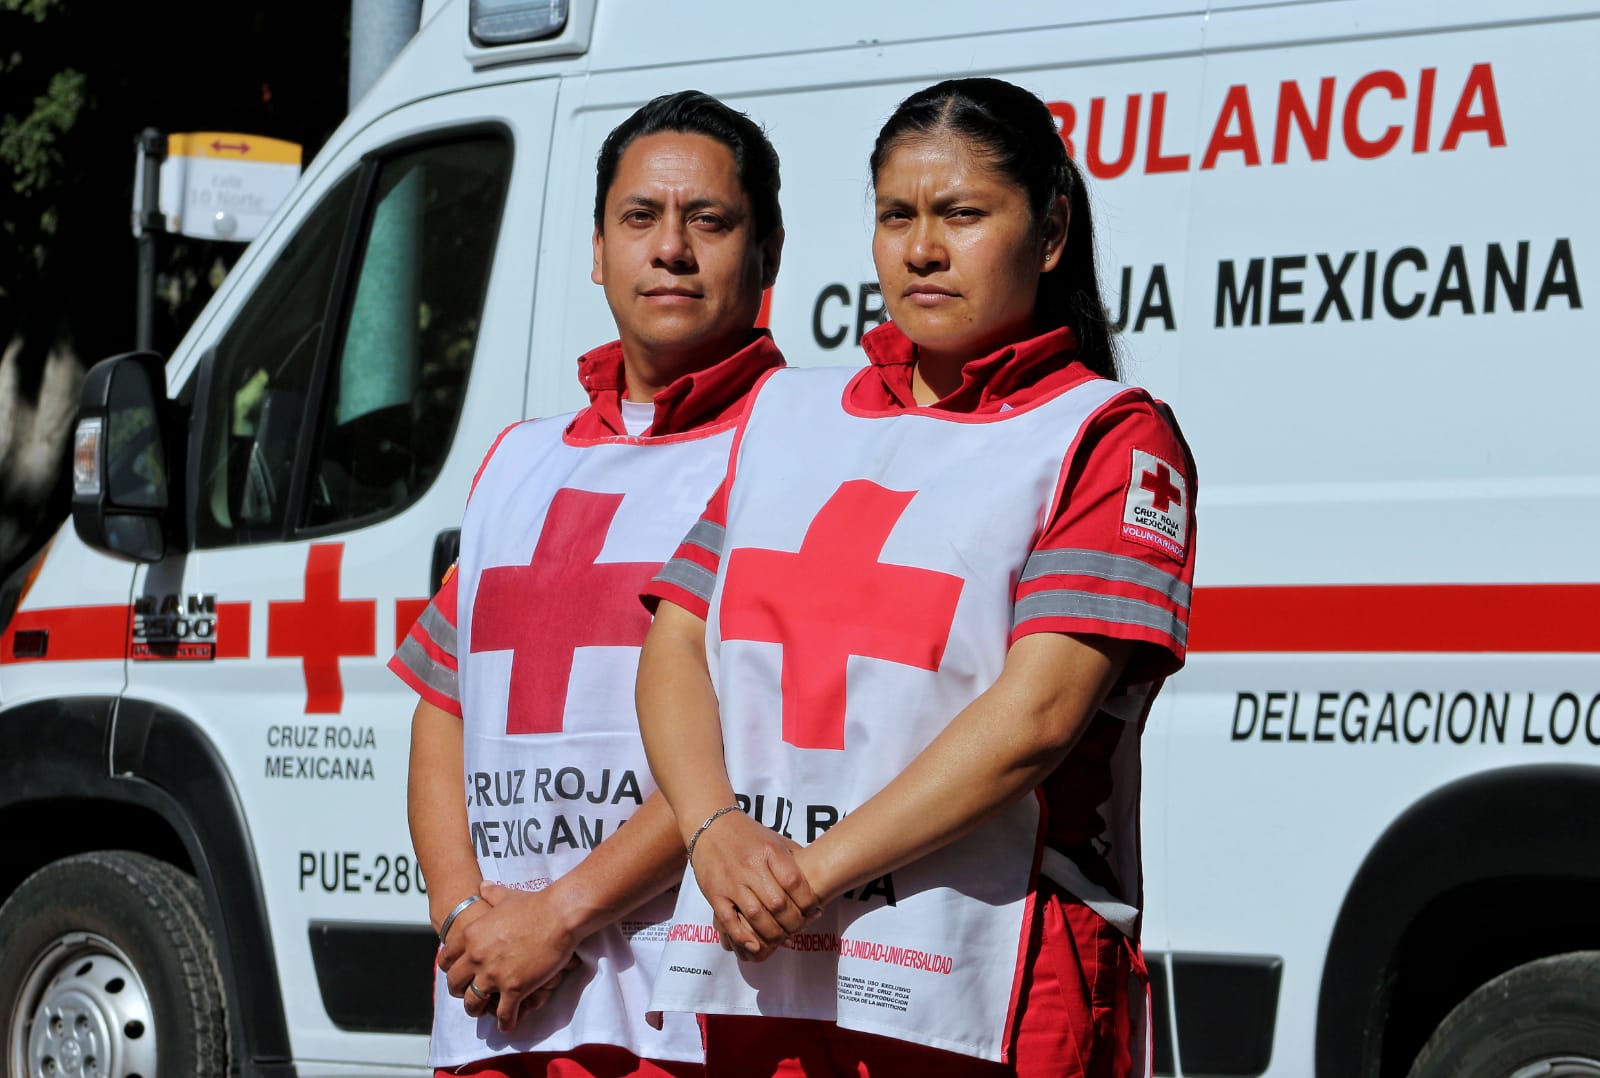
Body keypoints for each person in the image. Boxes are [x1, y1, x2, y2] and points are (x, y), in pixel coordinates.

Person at [636, 77, 1197, 1077]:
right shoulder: (787, 416)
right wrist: (712, 829)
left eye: (962, 214)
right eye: (897, 215)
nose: (922, 248)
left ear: (1051, 230)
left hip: (994, 986)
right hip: (766, 977)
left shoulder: (1107, 437)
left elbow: (1036, 719)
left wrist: (807, 875)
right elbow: (676, 639)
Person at [392, 89, 786, 1078]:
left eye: (709, 220)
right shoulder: (516, 460)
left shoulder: (797, 449)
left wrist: (560, 916)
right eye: (639, 217)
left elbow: (757, 740)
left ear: (767, 252)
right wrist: (465, 918)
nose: (671, 249)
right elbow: (444, 705)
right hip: (500, 1007)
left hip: (688, 1014)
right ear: (598, 250)